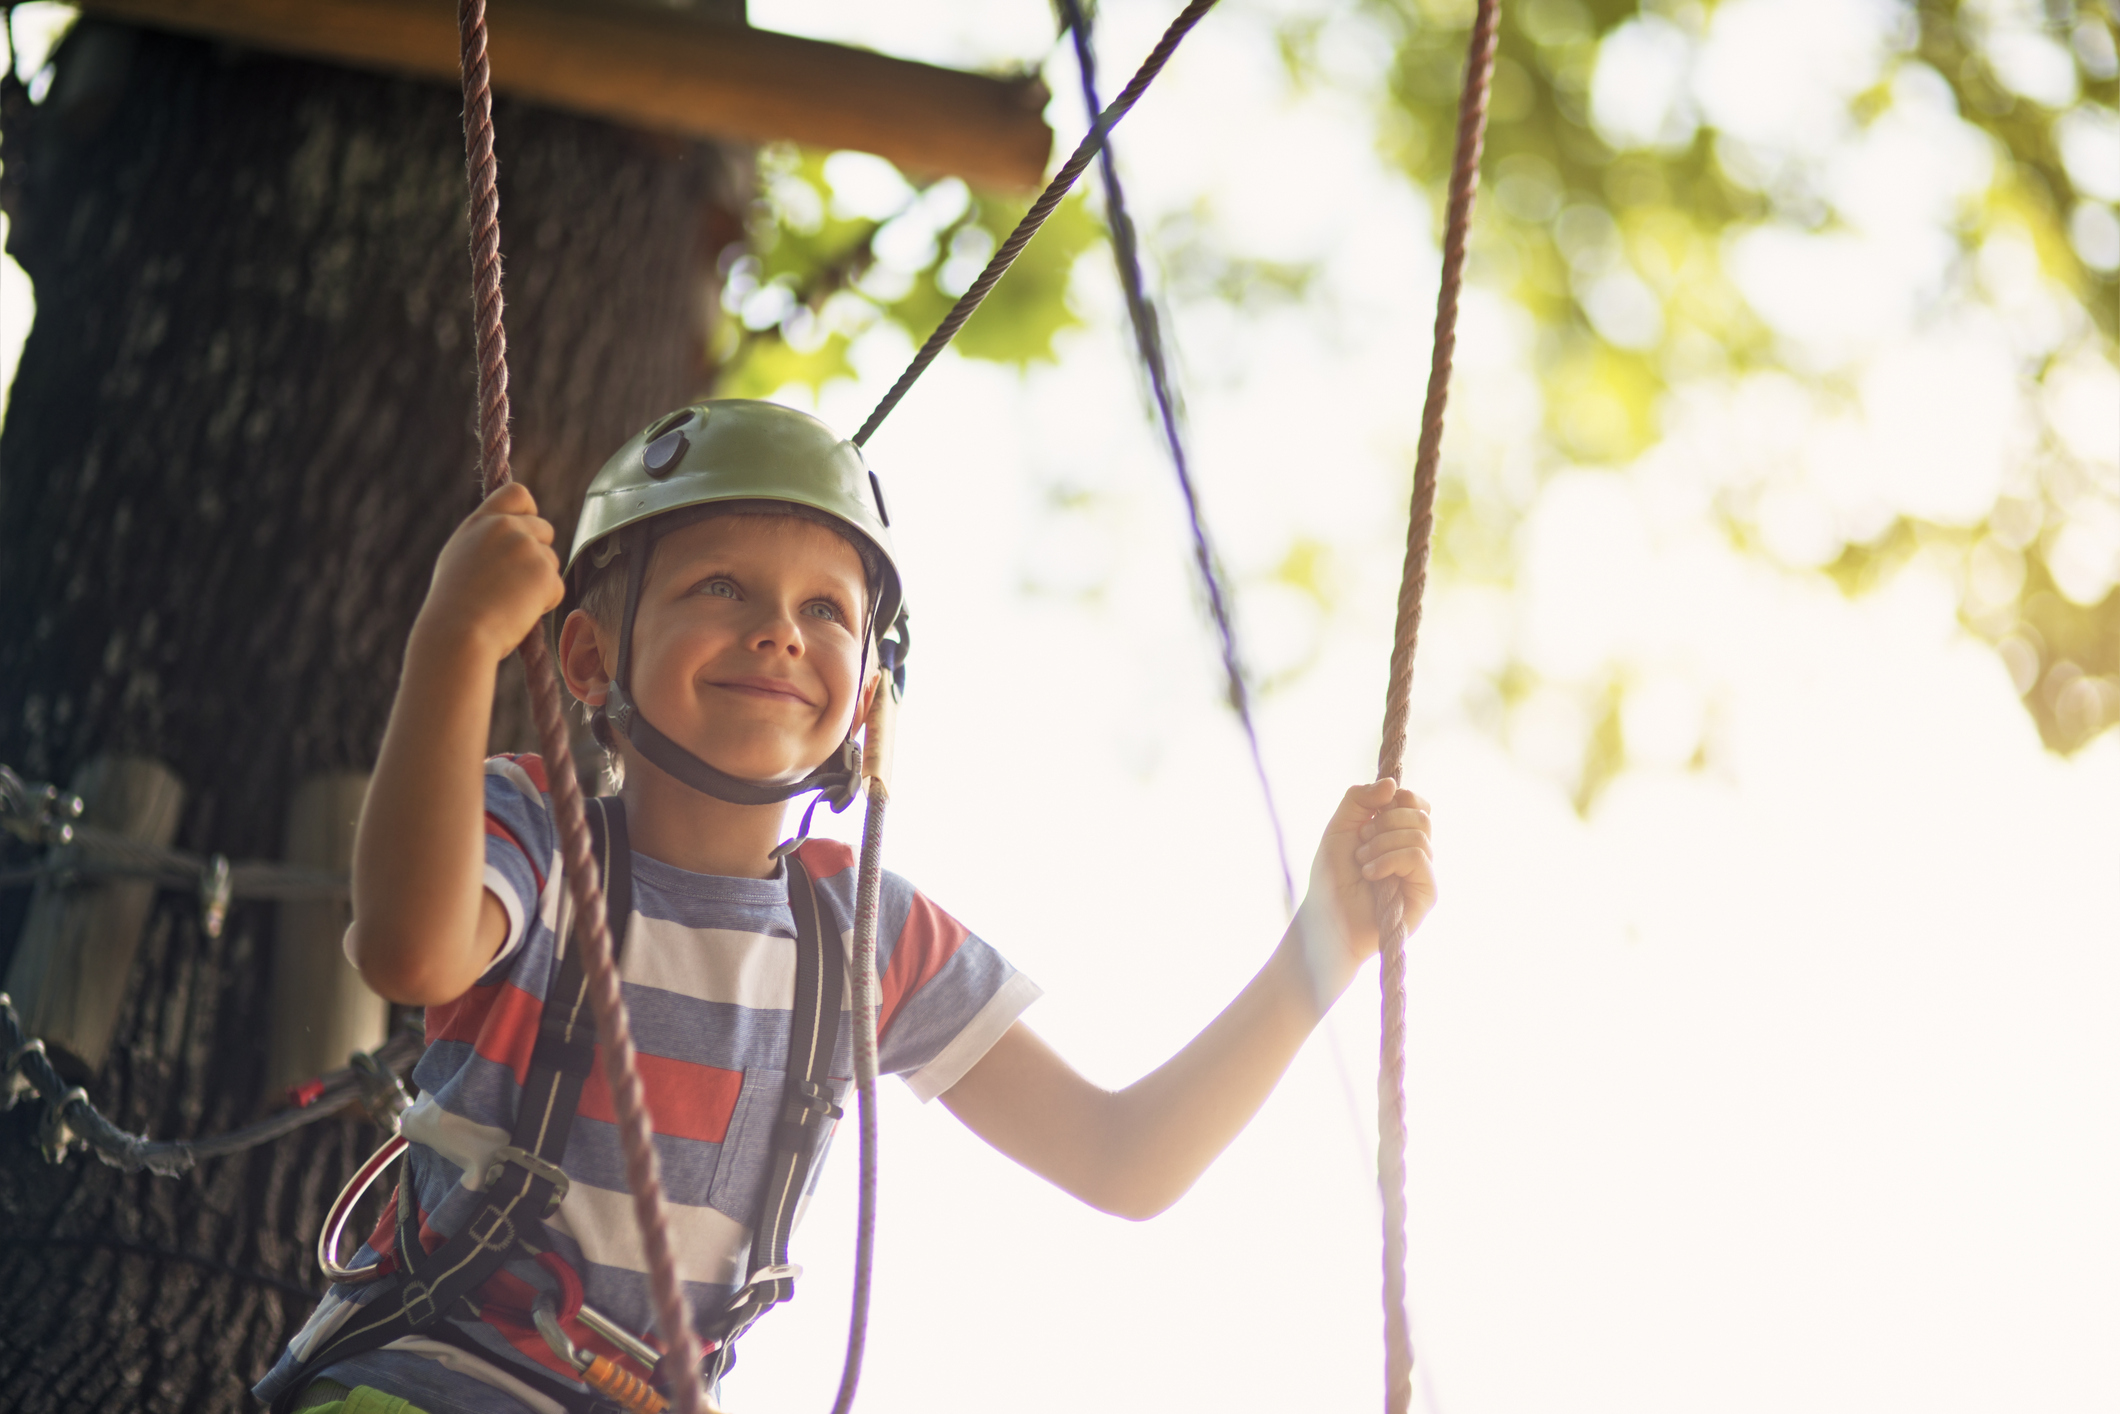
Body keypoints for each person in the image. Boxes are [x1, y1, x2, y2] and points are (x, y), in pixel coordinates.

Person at [254, 400, 1436, 1413]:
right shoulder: (537, 829)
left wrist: (1320, 947)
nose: (778, 628)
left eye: (827, 609)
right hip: (420, 1385)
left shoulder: (863, 934)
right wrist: (454, 639)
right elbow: (410, 951)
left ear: (869, 700)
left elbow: (1120, 1157)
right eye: (721, 586)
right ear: (583, 660)